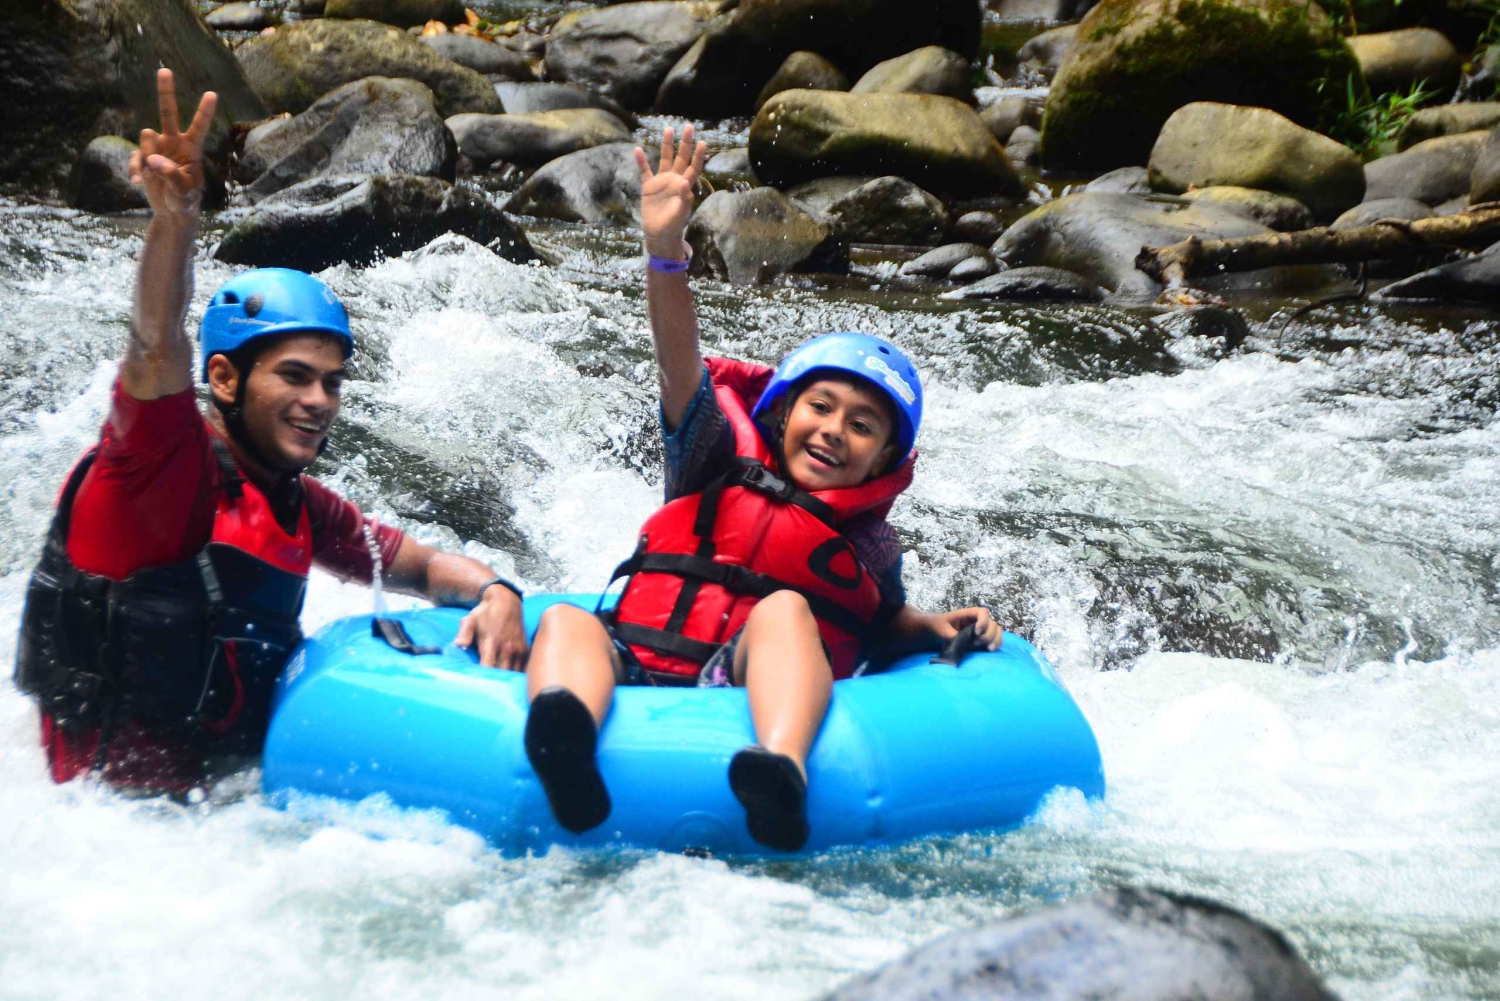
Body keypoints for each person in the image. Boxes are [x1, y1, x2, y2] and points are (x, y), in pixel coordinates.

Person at [13, 70, 529, 795]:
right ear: (224, 379)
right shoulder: (153, 468)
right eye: (294, 375)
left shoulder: (297, 504)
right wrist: (176, 221)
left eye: (332, 381)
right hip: (108, 840)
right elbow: (155, 342)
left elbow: (419, 566)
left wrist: (498, 591)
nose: (319, 400)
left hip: (219, 827)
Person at [520, 126, 1004, 851]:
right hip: (636, 662)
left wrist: (933, 624)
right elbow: (677, 360)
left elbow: (875, 620)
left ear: (885, 460)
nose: (835, 429)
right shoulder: (710, 456)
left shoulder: (869, 538)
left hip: (733, 680)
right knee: (564, 621)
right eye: (820, 406)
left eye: (863, 424)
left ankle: (780, 770)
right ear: (778, 416)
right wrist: (665, 252)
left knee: (782, 609)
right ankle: (566, 745)